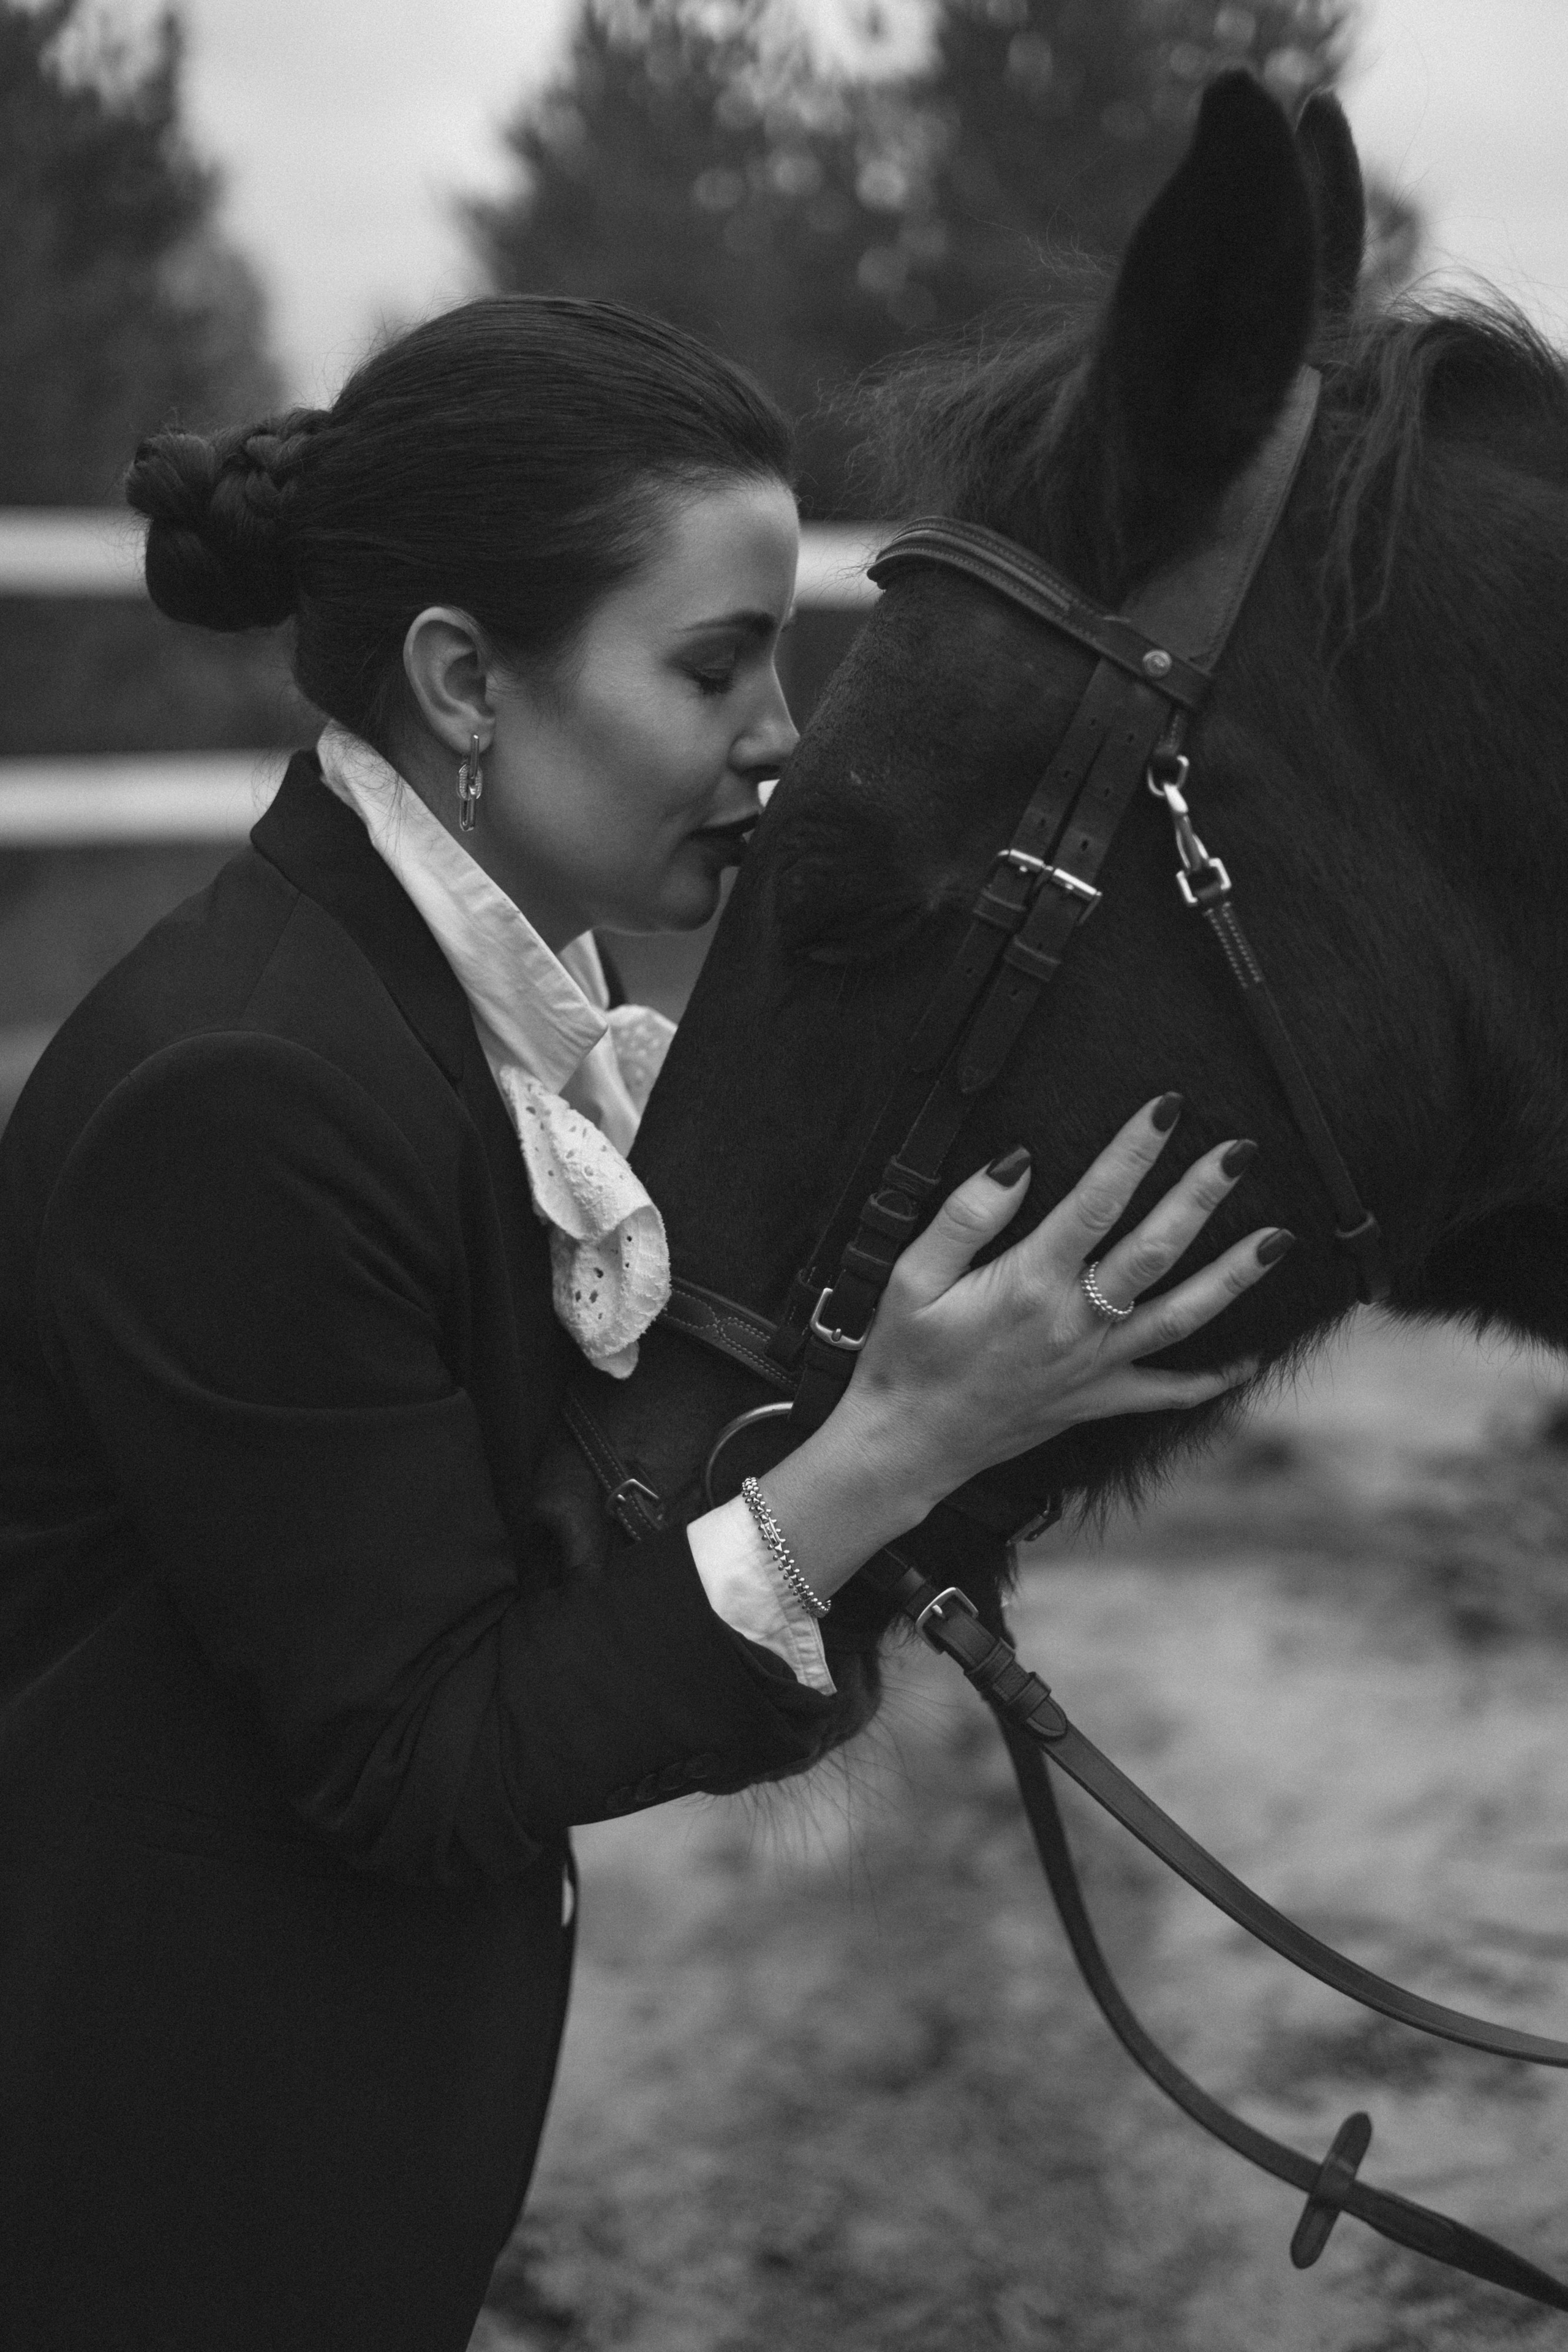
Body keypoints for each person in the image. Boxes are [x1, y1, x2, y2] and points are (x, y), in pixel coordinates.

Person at [0, 296, 1289, 2352]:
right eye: (714, 664)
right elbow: (424, 1754)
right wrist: (891, 1452)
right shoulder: (244, 1097)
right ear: (462, 683)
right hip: (151, 2201)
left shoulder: (453, 1024)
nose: (782, 730)